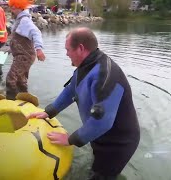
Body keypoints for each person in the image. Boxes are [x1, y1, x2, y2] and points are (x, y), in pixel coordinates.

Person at [27, 27, 140, 180]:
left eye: (68, 49)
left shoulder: (105, 76)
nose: (66, 54)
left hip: (118, 143)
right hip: (97, 135)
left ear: (80, 48)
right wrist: (49, 111)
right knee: (94, 170)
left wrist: (70, 139)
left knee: (102, 176)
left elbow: (103, 122)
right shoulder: (86, 66)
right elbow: (71, 90)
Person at [6, 0, 46, 100]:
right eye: (11, 7)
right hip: (21, 55)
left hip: (24, 56)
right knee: (20, 79)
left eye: (14, 7)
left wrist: (39, 49)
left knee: (11, 79)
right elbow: (19, 39)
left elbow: (36, 32)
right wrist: (10, 49)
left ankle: (11, 102)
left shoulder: (24, 21)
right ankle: (24, 98)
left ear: (20, 7)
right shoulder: (19, 20)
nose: (11, 9)